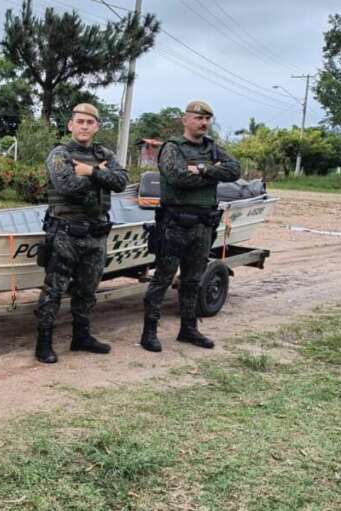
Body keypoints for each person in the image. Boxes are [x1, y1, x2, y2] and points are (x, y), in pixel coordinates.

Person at [140, 100, 240, 352]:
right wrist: (211, 175)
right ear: (185, 120)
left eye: (207, 119)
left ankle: (188, 329)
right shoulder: (173, 147)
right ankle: (149, 332)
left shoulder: (212, 148)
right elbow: (176, 177)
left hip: (203, 225)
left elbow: (234, 170)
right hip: (174, 224)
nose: (204, 123)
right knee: (162, 279)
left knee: (193, 280)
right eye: (198, 118)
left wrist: (203, 169)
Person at [34, 103, 128, 364]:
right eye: (80, 121)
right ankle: (44, 343)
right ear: (70, 125)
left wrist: (90, 170)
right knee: (54, 290)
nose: (85, 126)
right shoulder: (59, 154)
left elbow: (121, 182)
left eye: (90, 122)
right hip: (66, 233)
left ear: (97, 126)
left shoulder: (103, 153)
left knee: (87, 289)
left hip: (96, 233)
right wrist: (102, 174)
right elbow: (67, 186)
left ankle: (81, 337)